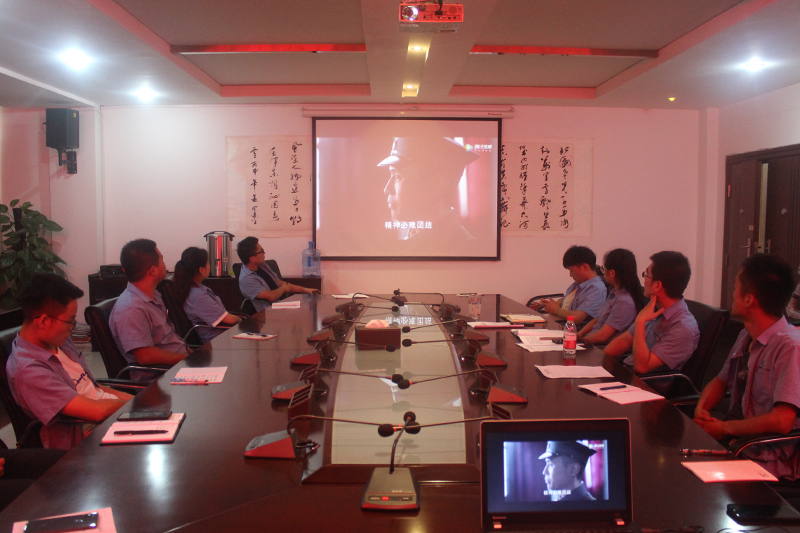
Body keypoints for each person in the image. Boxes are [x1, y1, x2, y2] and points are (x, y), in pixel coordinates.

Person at [694, 254, 800, 479]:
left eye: (735, 289)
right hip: (737, 441)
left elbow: (783, 421)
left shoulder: (790, 347)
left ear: (749, 299)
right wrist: (701, 410)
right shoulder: (746, 334)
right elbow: (721, 380)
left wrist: (725, 428)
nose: (732, 295)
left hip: (765, 455)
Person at [6, 273, 132, 449]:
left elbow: (92, 387)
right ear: (43, 321)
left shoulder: (58, 341)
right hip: (90, 438)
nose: (72, 328)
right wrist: (136, 405)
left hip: (113, 415)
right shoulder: (28, 370)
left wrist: (140, 400)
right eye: (70, 321)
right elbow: (96, 412)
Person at [604, 251, 699, 374]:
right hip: (626, 371)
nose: (644, 280)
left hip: (643, 382)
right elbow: (626, 339)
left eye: (646, 275)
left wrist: (640, 321)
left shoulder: (683, 327)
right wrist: (599, 361)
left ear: (657, 285)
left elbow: (642, 367)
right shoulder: (655, 307)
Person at [377, 136, 480, 244]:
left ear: (437, 187)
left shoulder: (465, 249)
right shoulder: (414, 240)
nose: (387, 189)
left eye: (398, 177)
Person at [109, 239, 189, 367]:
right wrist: (188, 360)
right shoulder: (132, 308)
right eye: (162, 259)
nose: (165, 264)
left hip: (180, 365)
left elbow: (167, 340)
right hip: (163, 374)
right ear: (153, 270)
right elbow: (145, 356)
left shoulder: (152, 297)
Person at [173, 246, 241, 344]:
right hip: (217, 341)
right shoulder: (198, 296)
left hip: (223, 336)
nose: (210, 266)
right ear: (201, 269)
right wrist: (243, 321)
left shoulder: (196, 288)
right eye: (208, 263)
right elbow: (229, 320)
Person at [578, 249, 644, 345]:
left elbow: (602, 336)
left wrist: (579, 342)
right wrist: (578, 335)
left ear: (612, 273)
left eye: (603, 268)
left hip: (599, 347)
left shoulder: (624, 302)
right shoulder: (614, 293)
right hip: (590, 341)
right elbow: (598, 320)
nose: (602, 271)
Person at [237, 237, 318, 313]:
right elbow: (271, 296)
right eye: (261, 251)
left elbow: (280, 283)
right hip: (268, 313)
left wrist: (306, 290)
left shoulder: (262, 266)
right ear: (252, 258)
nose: (264, 253)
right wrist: (283, 288)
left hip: (282, 304)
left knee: (310, 307)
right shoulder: (246, 279)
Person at [536, 246, 607, 323]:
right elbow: (568, 300)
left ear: (584, 267)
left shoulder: (596, 289)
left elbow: (576, 318)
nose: (570, 275)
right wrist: (556, 303)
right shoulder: (577, 284)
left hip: (568, 327)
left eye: (571, 270)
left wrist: (555, 310)